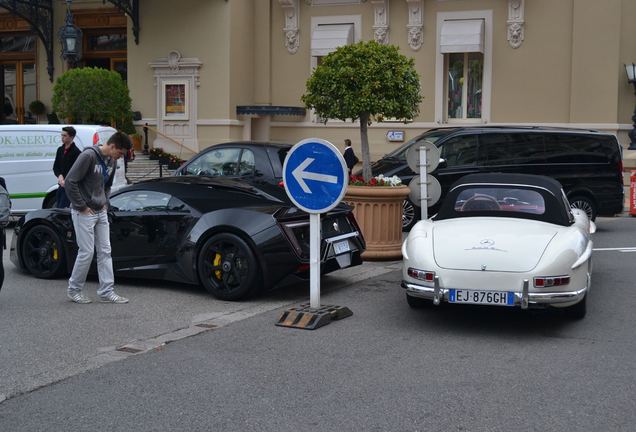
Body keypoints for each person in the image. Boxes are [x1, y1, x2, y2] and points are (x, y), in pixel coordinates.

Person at [64, 132, 132, 304]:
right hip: (84, 212)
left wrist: (105, 202)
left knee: (105, 251)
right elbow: (70, 181)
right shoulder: (88, 156)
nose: (121, 157)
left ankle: (106, 291)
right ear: (113, 146)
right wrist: (82, 206)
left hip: (100, 210)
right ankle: (74, 290)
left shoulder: (113, 160)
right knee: (86, 252)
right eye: (121, 153)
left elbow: (106, 185)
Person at [53, 126, 81, 208]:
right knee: (58, 208)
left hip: (70, 187)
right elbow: (56, 167)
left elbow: (77, 171)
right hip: (61, 186)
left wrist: (67, 180)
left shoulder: (76, 152)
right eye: (62, 135)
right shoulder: (60, 150)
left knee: (64, 210)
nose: (62, 137)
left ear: (71, 137)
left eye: (65, 136)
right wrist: (60, 176)